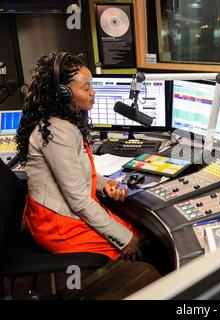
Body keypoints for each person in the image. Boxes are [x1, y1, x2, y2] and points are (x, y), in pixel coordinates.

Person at [15, 52, 142, 261]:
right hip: (57, 224)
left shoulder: (64, 121)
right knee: (133, 239)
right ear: (63, 93)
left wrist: (105, 184)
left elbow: (77, 173)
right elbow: (79, 200)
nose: (93, 93)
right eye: (86, 88)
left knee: (136, 232)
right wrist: (124, 239)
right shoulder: (57, 131)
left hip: (64, 211)